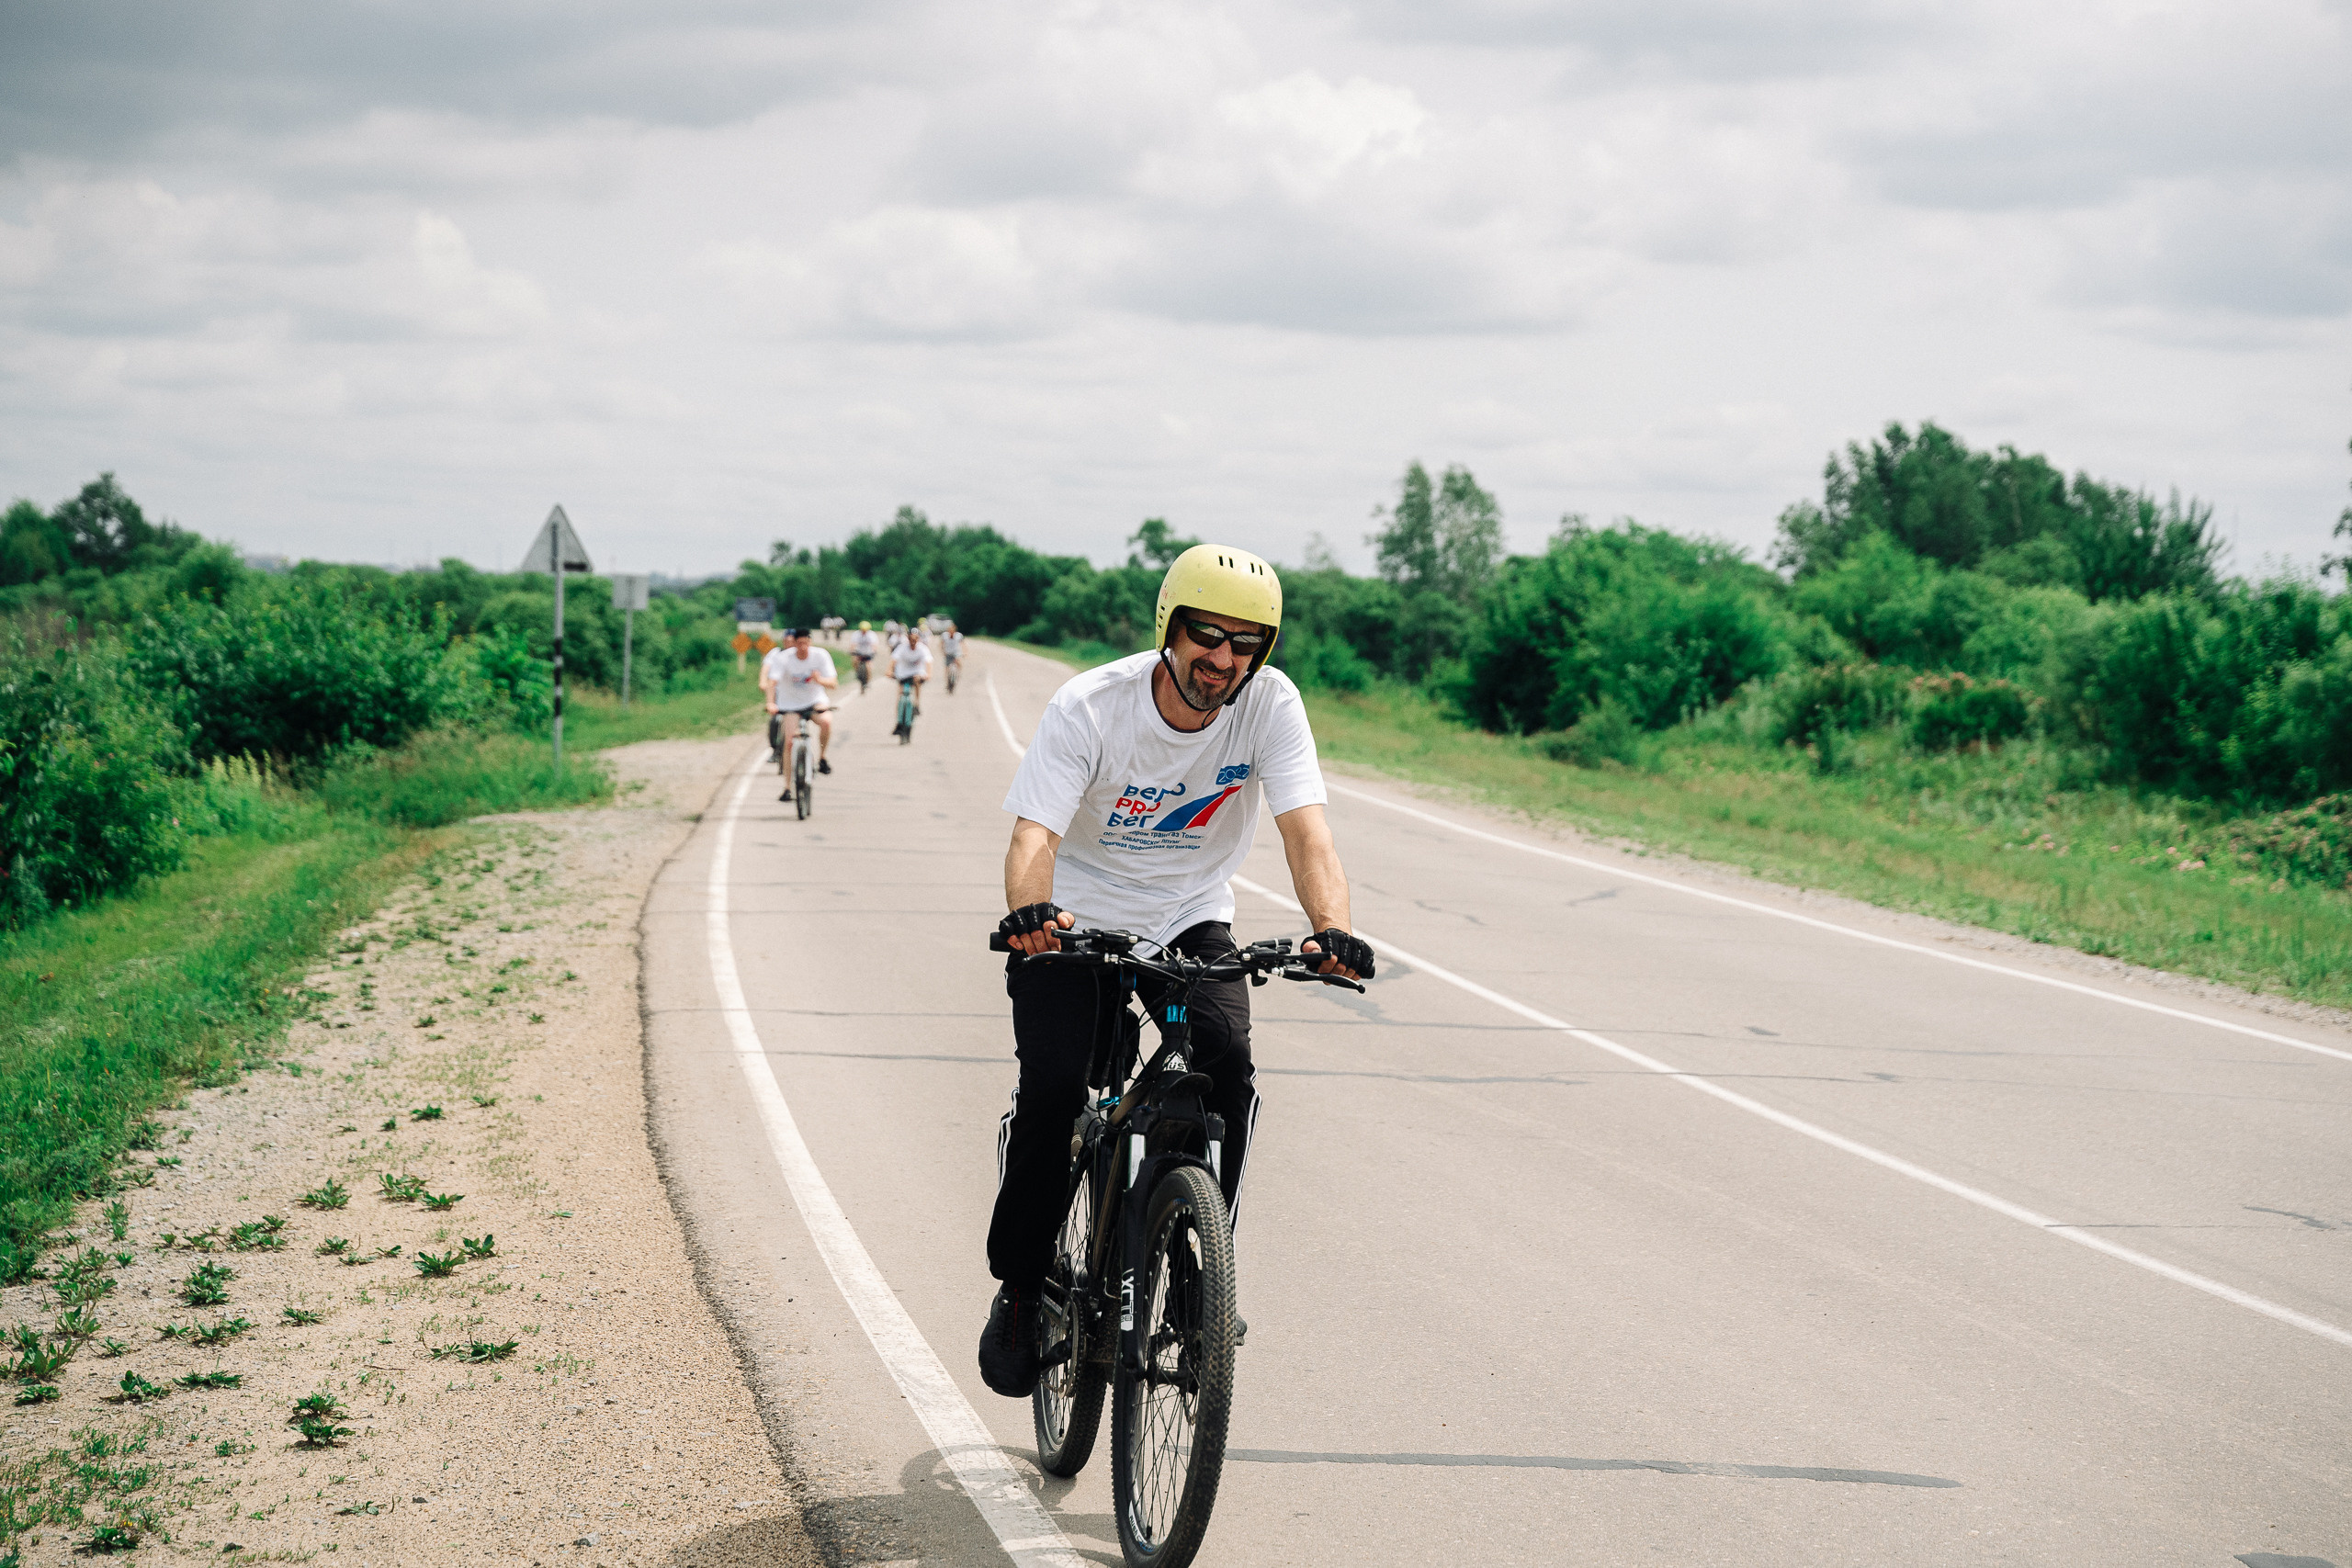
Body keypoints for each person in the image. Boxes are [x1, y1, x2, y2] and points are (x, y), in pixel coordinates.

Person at [977, 544, 1375, 1398]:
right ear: (1171, 627)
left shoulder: (1269, 704)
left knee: (1225, 1063)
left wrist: (1332, 928)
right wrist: (1032, 915)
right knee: (1054, 1085)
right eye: (1207, 635)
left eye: (1246, 643)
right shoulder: (1091, 705)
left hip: (1189, 913)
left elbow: (1308, 834)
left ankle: (1201, 1267)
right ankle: (1021, 1286)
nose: (1224, 659)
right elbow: (1033, 838)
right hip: (1076, 915)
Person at [763, 627, 837, 787]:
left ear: (810, 642)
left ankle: (822, 758)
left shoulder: (820, 655)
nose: (803, 647)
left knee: (826, 721)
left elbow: (833, 683)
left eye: (806, 643)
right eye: (799, 643)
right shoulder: (783, 658)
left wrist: (820, 680)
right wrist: (770, 703)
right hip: (790, 704)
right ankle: (787, 787)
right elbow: (772, 682)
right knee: (789, 742)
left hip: (814, 700)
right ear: (794, 643)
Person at [890, 626, 932, 736]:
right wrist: (889, 671)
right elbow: (894, 660)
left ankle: (917, 704)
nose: (913, 642)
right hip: (903, 673)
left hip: (917, 673)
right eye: (911, 639)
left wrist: (928, 674)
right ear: (908, 638)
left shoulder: (922, 648)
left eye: (915, 639)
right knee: (900, 695)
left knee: (917, 681)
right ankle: (899, 720)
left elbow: (928, 662)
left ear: (918, 639)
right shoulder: (902, 647)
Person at [850, 621, 878, 690]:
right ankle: (857, 672)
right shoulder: (856, 634)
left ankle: (868, 681)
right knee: (854, 661)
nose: (864, 631)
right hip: (859, 652)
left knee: (869, 667)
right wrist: (852, 651)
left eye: (865, 630)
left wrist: (873, 651)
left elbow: (874, 645)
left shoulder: (872, 635)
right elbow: (853, 644)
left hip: (868, 652)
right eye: (862, 630)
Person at [941, 624, 964, 690]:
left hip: (956, 653)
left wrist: (965, 652)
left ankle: (959, 674)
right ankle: (947, 681)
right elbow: (942, 644)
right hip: (948, 653)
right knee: (947, 668)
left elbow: (962, 644)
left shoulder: (958, 636)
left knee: (958, 662)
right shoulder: (944, 636)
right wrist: (943, 651)